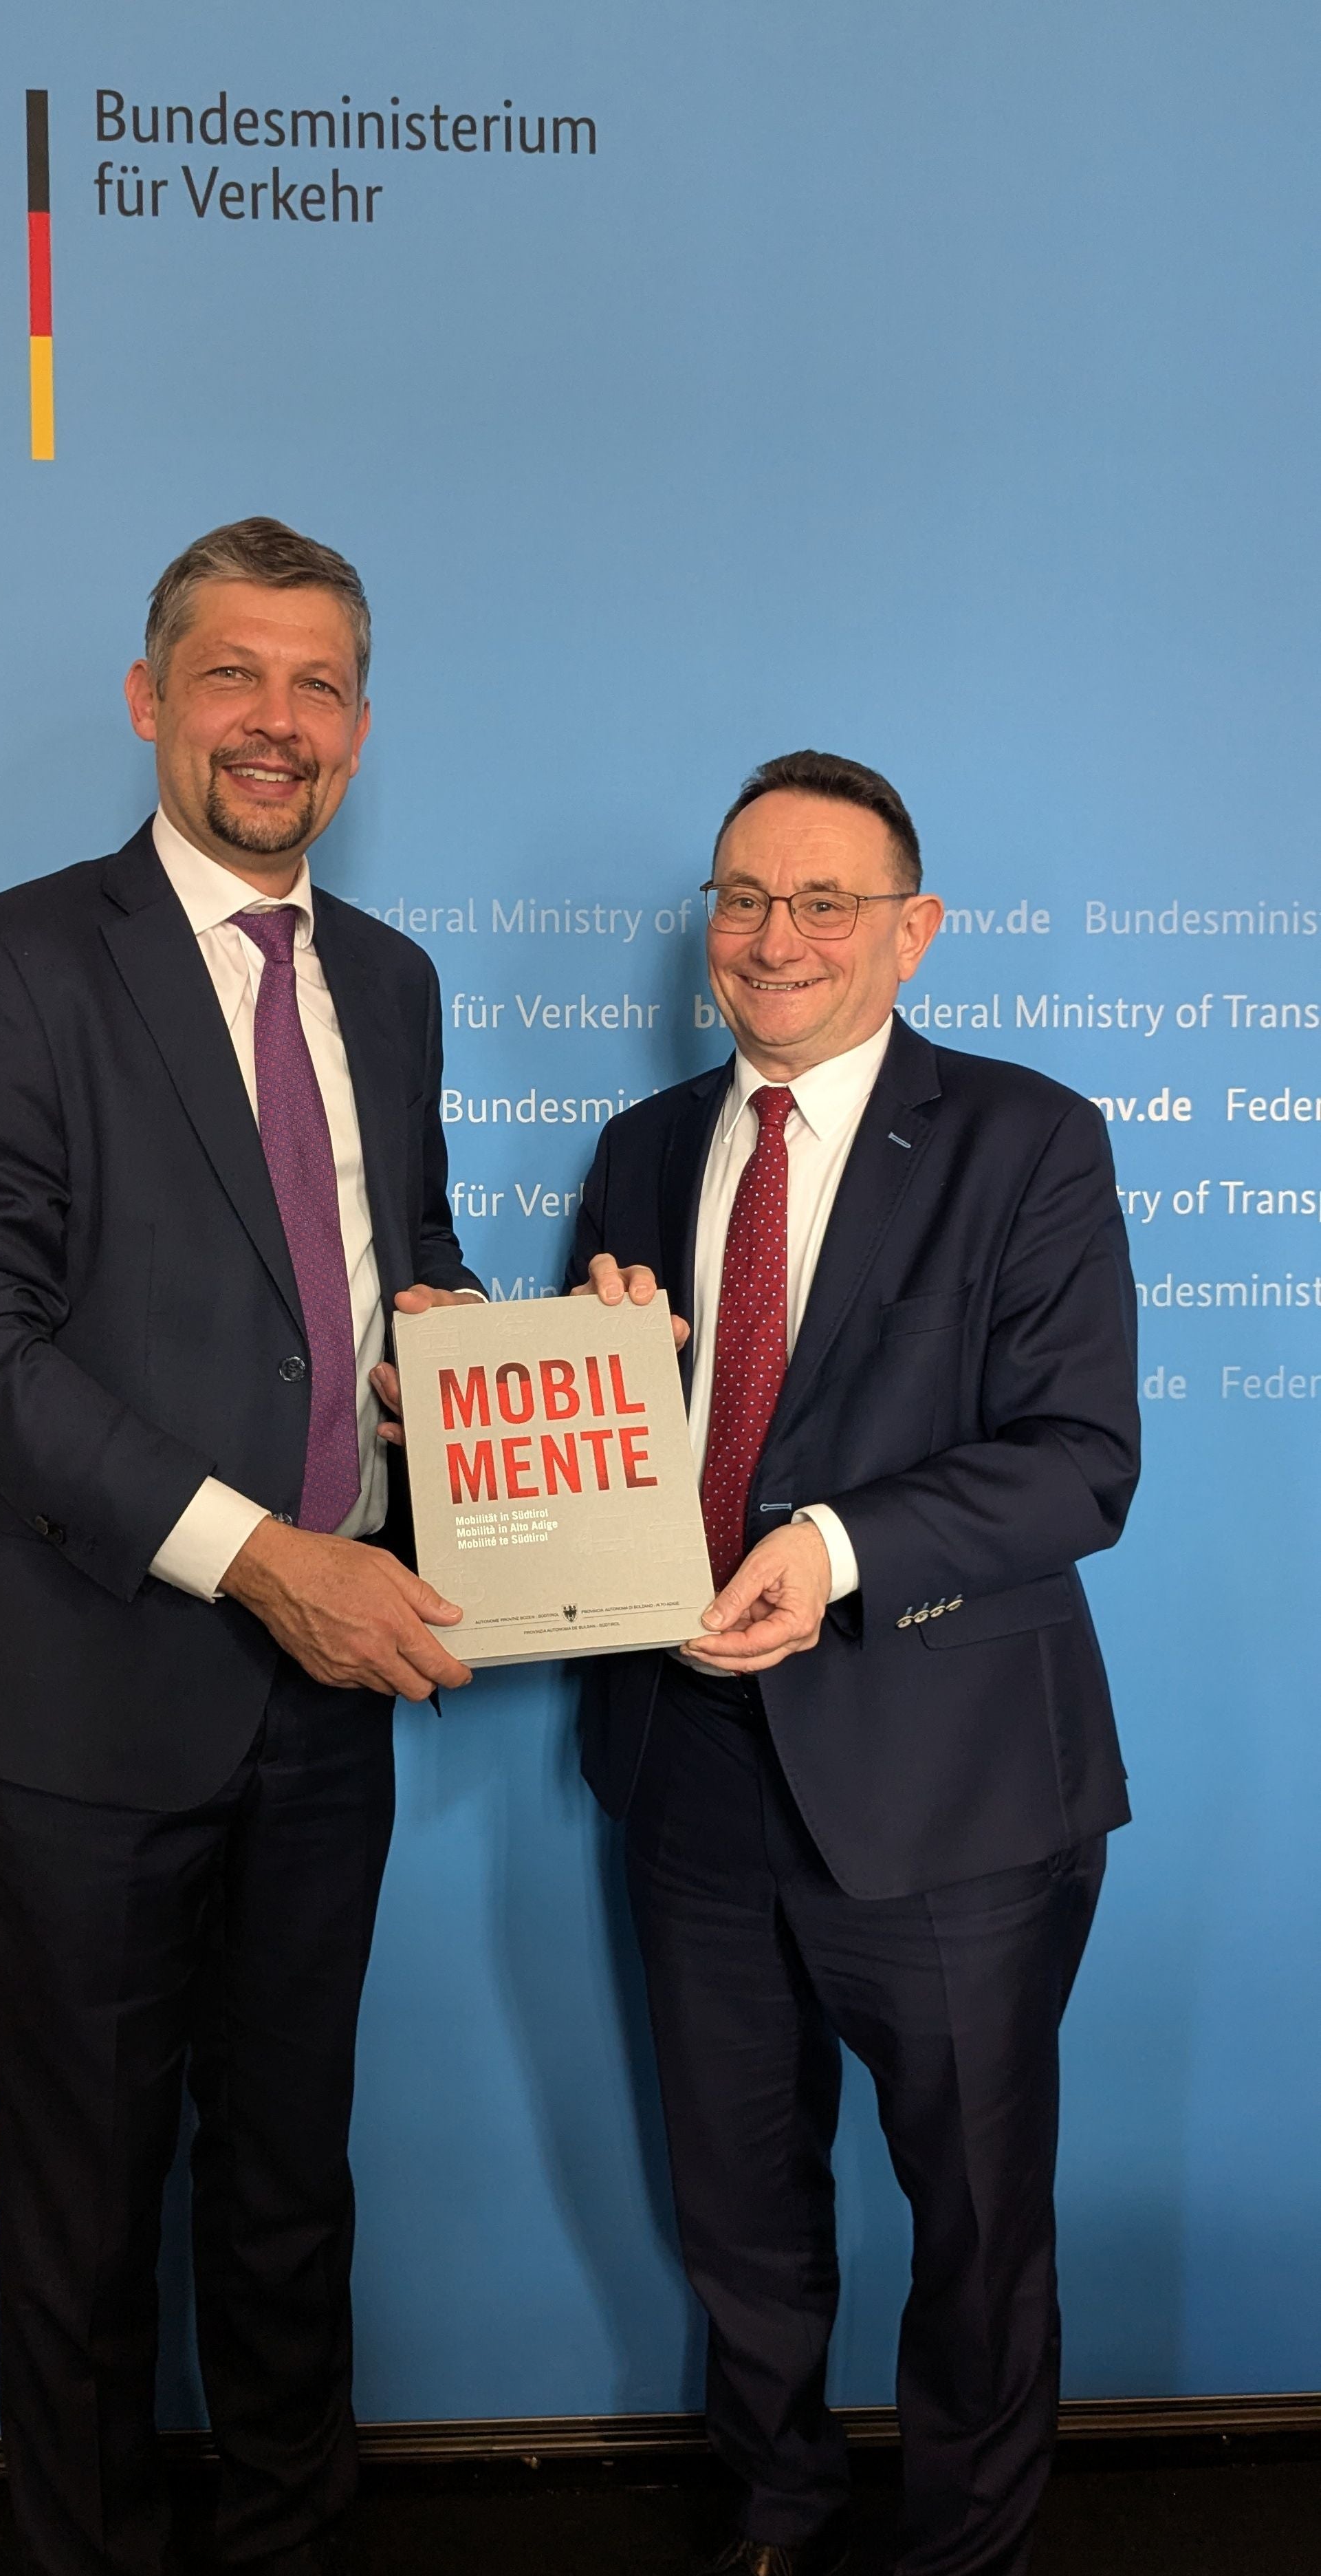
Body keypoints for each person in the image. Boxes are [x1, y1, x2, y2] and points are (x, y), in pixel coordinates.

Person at [0, 519, 484, 2576]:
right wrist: (255, 1556)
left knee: (291, 2187)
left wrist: (487, 1358)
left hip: (335, 1698)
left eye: (317, 685)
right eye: (233, 673)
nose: (274, 721)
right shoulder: (10, 964)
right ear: (150, 699)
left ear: (360, 728)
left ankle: (291, 2541)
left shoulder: (388, 982)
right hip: (96, 1694)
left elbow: (395, 1269)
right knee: (84, 2206)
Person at [565, 750, 1139, 2576]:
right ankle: (778, 2504)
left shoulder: (1026, 1140)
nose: (776, 935)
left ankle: (965, 2543)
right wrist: (550, 1385)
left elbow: (1079, 1461)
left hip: (947, 1782)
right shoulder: (643, 1151)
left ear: (912, 932)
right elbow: (597, 1454)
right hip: (686, 1765)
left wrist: (831, 1548)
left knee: (975, 2216)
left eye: (825, 900)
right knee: (737, 2201)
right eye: (743, 897)